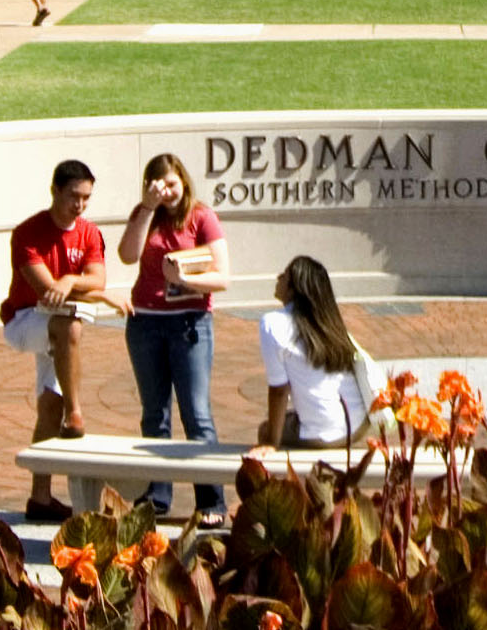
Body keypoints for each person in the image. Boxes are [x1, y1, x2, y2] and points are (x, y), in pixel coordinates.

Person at [0, 159, 124, 522]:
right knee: (69, 325)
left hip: (56, 326)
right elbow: (47, 294)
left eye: (86, 198)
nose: (80, 205)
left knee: (48, 405)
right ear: (54, 190)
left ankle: (40, 499)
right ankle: (77, 413)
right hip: (24, 321)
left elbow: (95, 277)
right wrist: (95, 295)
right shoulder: (27, 233)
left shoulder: (88, 233)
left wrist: (73, 281)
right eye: (73, 196)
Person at [117, 152, 230, 524]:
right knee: (154, 414)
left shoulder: (201, 217)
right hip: (146, 324)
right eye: (157, 185)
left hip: (190, 324)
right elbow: (127, 254)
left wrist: (184, 280)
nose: (166, 191)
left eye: (171, 183)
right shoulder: (144, 215)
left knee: (197, 414)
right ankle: (157, 496)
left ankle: (211, 502)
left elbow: (222, 278)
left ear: (182, 179)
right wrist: (147, 208)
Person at [253, 256, 367, 450]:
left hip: (324, 434)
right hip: (357, 424)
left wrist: (271, 443)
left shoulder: (272, 324)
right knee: (286, 417)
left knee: (266, 429)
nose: (278, 276)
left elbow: (279, 392)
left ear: (293, 288)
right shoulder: (330, 324)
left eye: (285, 274)